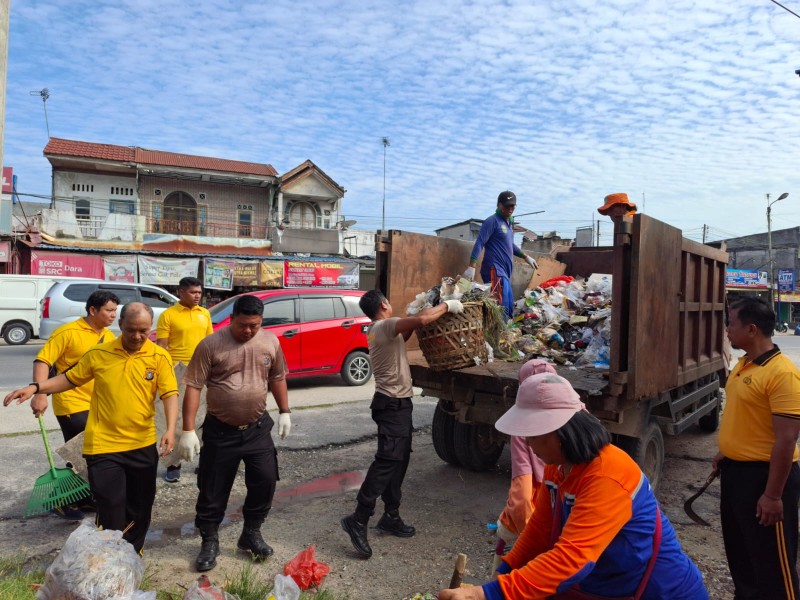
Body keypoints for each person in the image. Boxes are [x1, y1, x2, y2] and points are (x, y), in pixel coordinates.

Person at [440, 373, 707, 599]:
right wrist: (504, 572)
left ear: (561, 431)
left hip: (661, 590)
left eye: (533, 435)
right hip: (611, 585)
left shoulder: (607, 474)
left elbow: (571, 560)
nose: (529, 445)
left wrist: (485, 594)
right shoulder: (558, 466)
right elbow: (540, 530)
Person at [4, 303, 178, 555]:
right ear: (121, 325)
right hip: (102, 445)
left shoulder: (159, 356)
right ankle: (107, 558)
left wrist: (171, 429)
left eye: (143, 331)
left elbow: (170, 394)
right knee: (110, 506)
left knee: (140, 506)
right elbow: (68, 378)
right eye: (131, 330)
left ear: (150, 328)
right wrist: (36, 388)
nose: (137, 337)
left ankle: (132, 555)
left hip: (141, 444)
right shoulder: (100, 354)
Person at [340, 289, 463, 559]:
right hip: (391, 404)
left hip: (397, 404)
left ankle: (391, 515)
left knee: (399, 460)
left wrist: (421, 313)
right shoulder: (383, 325)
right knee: (387, 460)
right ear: (384, 303)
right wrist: (446, 306)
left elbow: (407, 332)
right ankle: (358, 518)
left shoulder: (378, 330)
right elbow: (419, 322)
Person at [178, 294, 291, 572]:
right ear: (232, 319)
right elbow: (193, 386)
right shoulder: (211, 345)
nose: (249, 331)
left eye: (255, 325)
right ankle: (209, 541)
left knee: (265, 482)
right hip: (220, 432)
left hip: (257, 429)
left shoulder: (270, 341)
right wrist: (188, 429)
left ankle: (251, 533)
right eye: (243, 325)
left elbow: (277, 377)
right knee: (212, 489)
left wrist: (285, 411)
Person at [712, 296, 800, 599]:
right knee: (742, 558)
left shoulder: (782, 374)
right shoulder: (744, 364)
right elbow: (746, 417)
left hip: (766, 478)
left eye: (730, 323)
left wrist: (773, 495)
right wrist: (728, 450)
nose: (726, 330)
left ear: (751, 329)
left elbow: (787, 439)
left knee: (774, 567)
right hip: (736, 473)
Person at [15, 290, 119, 520]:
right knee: (81, 452)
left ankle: (83, 497)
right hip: (71, 402)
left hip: (98, 404)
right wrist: (40, 394)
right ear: (93, 310)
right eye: (109, 310)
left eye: (115, 311)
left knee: (95, 452)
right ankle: (62, 499)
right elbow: (43, 360)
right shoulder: (68, 332)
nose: (114, 315)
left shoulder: (108, 336)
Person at [493, 360, 552, 565]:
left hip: (536, 517)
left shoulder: (523, 426)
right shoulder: (577, 415)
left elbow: (523, 495)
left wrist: (530, 539)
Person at [155, 276, 213, 483]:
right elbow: (162, 345)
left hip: (201, 369)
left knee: (205, 417)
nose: (197, 296)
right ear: (181, 292)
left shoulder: (204, 313)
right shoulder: (168, 315)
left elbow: (209, 342)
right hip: (177, 370)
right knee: (176, 418)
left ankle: (205, 463)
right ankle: (173, 464)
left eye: (199, 292)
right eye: (193, 292)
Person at [464, 191, 538, 318]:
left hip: (504, 273)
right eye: (507, 206)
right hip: (494, 271)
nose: (510, 209)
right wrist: (472, 266)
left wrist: (525, 256)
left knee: (508, 307)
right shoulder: (492, 221)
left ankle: (506, 335)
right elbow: (480, 242)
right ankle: (498, 337)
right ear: (499, 205)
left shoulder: (508, 224)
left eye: (513, 206)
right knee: (500, 308)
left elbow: (510, 246)